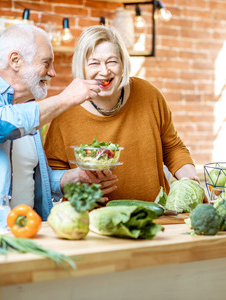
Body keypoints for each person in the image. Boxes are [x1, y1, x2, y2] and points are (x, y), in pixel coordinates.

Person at [0, 24, 118, 230]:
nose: (52, 72)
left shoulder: (27, 109)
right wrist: (67, 98)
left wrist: (73, 178)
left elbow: (33, 178)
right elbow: (2, 126)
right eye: (46, 63)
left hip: (20, 234)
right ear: (15, 61)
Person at [44, 25, 204, 203]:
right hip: (91, 219)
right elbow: (52, 173)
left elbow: (172, 148)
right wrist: (79, 183)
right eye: (94, 63)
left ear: (123, 63)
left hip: (155, 216)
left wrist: (192, 182)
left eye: (112, 61)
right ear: (81, 67)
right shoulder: (66, 110)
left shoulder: (149, 95)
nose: (104, 71)